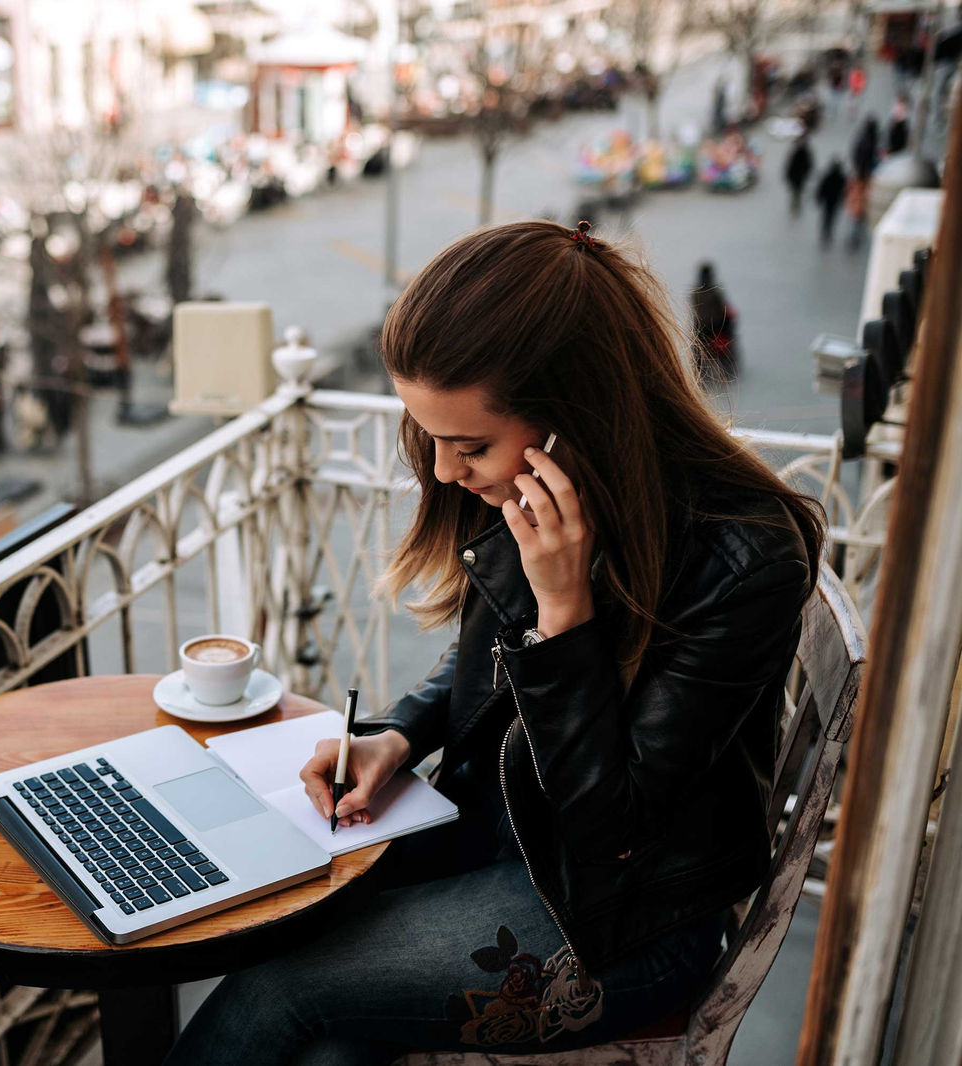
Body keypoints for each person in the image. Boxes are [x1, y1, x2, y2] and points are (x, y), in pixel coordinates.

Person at [163, 221, 823, 1065]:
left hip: (619, 922)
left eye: (468, 445)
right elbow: (485, 663)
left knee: (279, 988)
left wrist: (565, 613)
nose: (442, 473)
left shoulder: (745, 553)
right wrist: (397, 737)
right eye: (430, 436)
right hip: (490, 835)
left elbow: (611, 826)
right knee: (298, 987)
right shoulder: (540, 488)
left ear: (575, 422)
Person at [690, 262, 738, 377]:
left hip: (700, 328)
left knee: (699, 360)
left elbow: (695, 311)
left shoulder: (695, 293)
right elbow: (723, 309)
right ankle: (729, 371)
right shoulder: (715, 292)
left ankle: (699, 376)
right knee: (727, 359)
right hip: (716, 327)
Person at [816, 158, 847, 247]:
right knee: (830, 217)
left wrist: (819, 198)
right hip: (833, 201)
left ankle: (826, 231)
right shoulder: (841, 177)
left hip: (829, 201)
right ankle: (827, 231)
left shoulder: (829, 176)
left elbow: (821, 189)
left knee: (827, 217)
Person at [784, 133, 814, 214]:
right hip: (797, 177)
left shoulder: (802, 153)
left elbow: (809, 166)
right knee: (796, 191)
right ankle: (795, 204)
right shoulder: (803, 152)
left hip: (798, 177)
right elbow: (809, 166)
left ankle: (795, 204)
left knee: (796, 192)